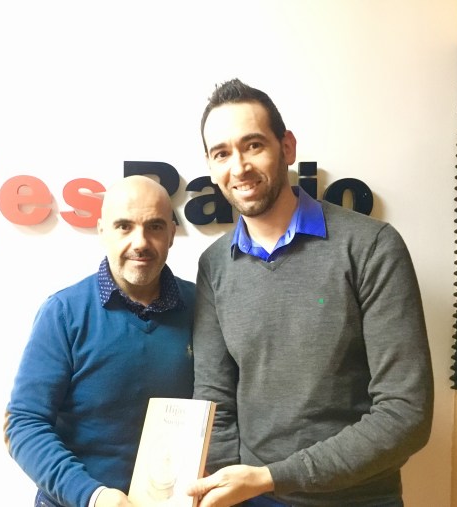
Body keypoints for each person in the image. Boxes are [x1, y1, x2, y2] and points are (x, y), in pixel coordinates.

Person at [185, 79, 434, 507]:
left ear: (287, 147)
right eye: (221, 153)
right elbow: (214, 399)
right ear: (210, 165)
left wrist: (271, 478)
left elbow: (406, 413)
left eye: (253, 145)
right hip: (249, 497)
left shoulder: (371, 246)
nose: (239, 167)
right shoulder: (214, 264)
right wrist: (230, 490)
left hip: (356, 500)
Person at [4, 175, 195, 507]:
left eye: (154, 226)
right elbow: (24, 424)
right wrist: (93, 496)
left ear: (171, 234)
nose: (140, 242)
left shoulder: (201, 306)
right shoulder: (64, 313)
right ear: (102, 231)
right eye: (124, 226)